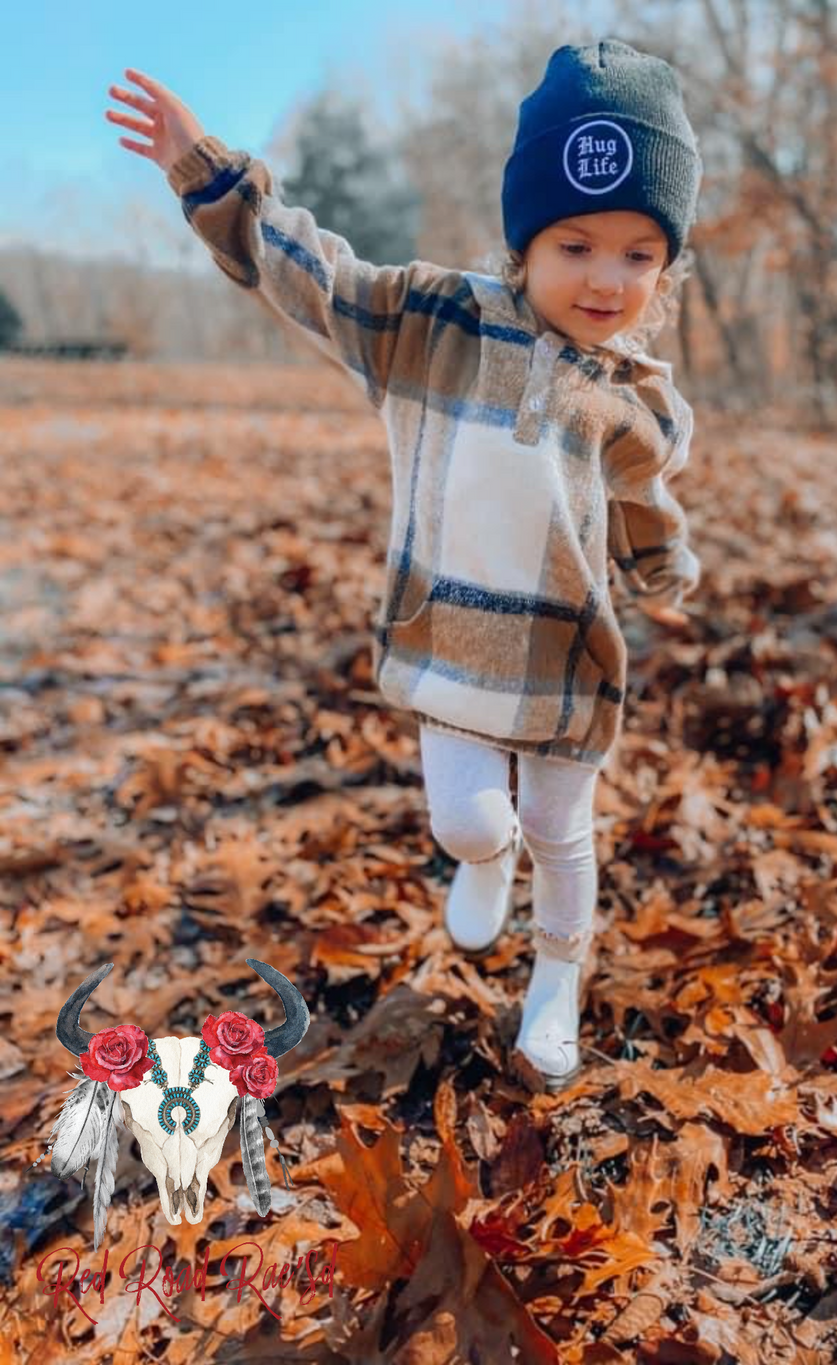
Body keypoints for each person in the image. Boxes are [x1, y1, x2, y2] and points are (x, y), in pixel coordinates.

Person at [105, 39, 703, 1094]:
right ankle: (482, 856)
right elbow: (317, 279)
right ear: (526, 241)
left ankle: (556, 977)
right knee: (468, 819)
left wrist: (662, 575)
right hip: (448, 636)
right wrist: (207, 172)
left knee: (564, 830)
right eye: (575, 244)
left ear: (664, 265)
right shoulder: (435, 324)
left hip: (566, 653)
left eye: (636, 255)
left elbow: (642, 504)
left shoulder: (635, 397)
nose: (606, 280)